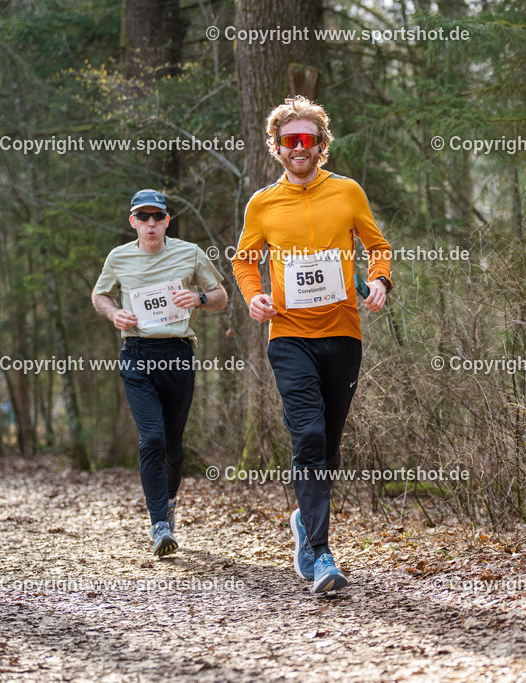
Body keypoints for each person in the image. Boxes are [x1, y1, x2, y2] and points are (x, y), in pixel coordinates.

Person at [231, 96, 392, 593]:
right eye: (290, 140)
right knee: (308, 437)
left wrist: (381, 280)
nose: (299, 148)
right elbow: (243, 259)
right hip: (289, 337)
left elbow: (377, 247)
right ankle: (321, 555)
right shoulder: (262, 202)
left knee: (329, 445)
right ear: (277, 147)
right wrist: (255, 297)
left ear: (322, 145)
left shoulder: (347, 193)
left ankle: (304, 518)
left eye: (308, 139)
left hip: (343, 333)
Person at [92, 189, 227, 556]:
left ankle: (168, 502)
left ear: (167, 220)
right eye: (143, 217)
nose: (151, 223)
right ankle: (159, 525)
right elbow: (100, 295)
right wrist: (113, 314)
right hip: (136, 354)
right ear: (133, 221)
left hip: (178, 353)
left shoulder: (190, 253)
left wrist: (198, 298)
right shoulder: (118, 257)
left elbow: (221, 296)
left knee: (172, 446)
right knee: (151, 439)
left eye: (158, 217)